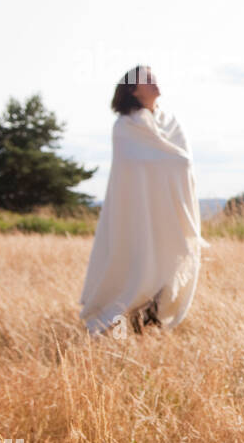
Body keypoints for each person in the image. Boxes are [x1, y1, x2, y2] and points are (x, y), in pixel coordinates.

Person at [79, 65, 207, 337]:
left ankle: (151, 324)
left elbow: (184, 161)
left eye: (154, 77)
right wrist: (173, 161)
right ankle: (123, 323)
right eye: (147, 80)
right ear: (133, 90)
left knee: (168, 263)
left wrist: (174, 161)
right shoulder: (125, 127)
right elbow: (137, 165)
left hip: (168, 212)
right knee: (138, 266)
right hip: (139, 214)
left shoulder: (171, 123)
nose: (154, 82)